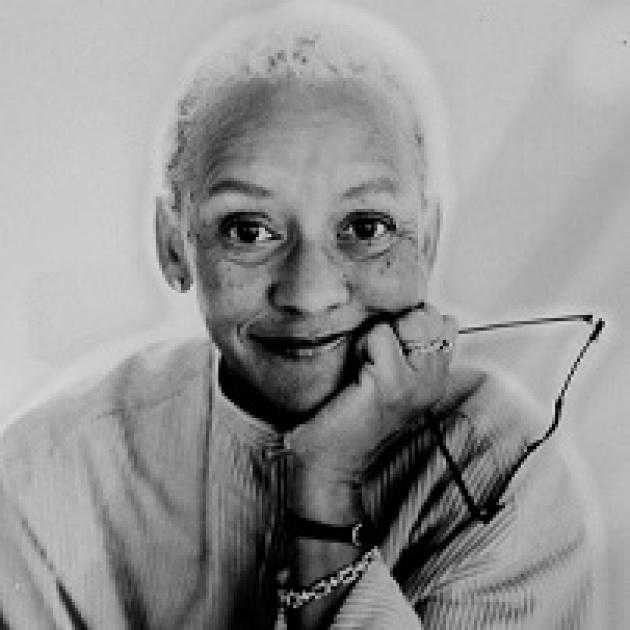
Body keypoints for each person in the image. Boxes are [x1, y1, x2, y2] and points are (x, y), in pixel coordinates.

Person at [0, 3, 595, 629]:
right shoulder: (48, 476)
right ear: (173, 246)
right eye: (249, 229)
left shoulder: (505, 465)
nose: (310, 295)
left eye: (366, 227)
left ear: (427, 243)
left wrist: (326, 492)